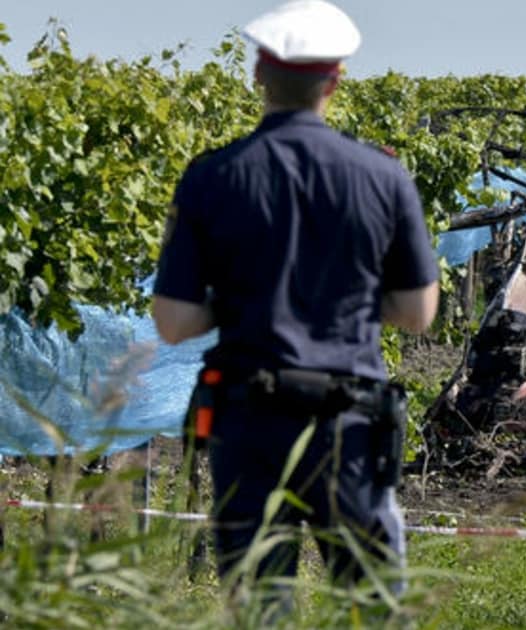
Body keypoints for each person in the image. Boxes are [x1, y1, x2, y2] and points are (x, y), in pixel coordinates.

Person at [151, 0, 439, 612]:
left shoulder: (212, 177)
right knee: (372, 609)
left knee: (260, 609)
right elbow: (417, 313)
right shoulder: (383, 178)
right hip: (350, 424)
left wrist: (234, 303)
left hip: (248, 420)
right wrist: (352, 302)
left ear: (259, 72)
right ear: (335, 81)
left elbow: (173, 323)